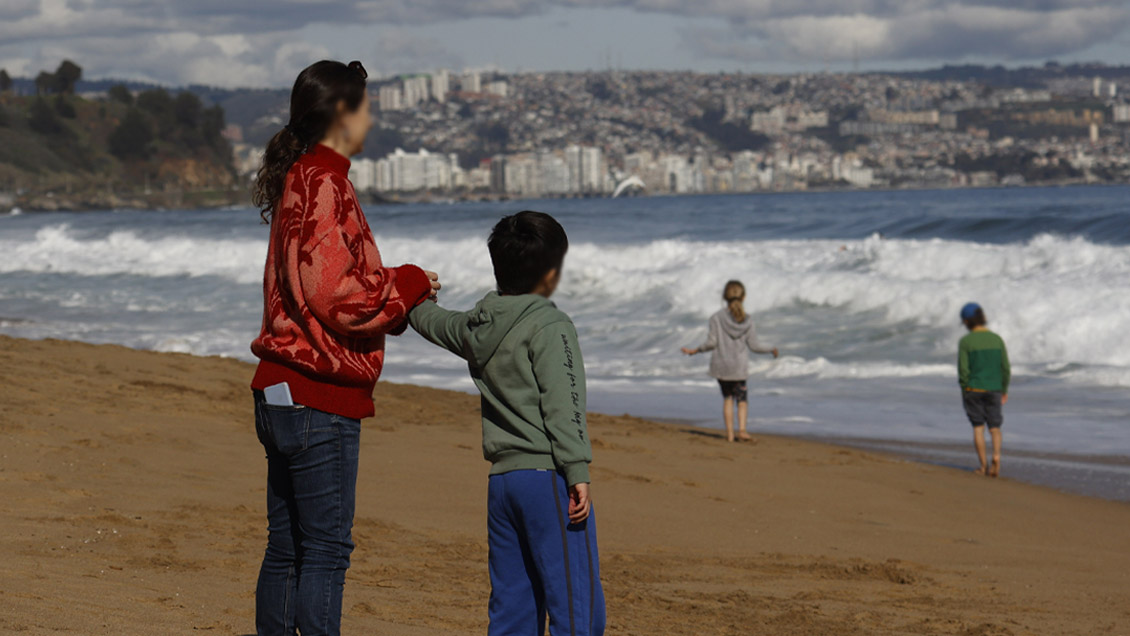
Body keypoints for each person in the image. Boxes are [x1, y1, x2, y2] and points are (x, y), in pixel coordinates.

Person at [248, 60, 440, 636]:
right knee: (326, 552)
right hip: (318, 399)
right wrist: (410, 283)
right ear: (340, 114)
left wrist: (395, 296)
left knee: (286, 550)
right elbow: (338, 295)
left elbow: (311, 289)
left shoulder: (299, 177)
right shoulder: (325, 182)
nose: (370, 116)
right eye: (364, 105)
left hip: (277, 388)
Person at [408, 211, 605, 636]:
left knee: (513, 611)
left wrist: (412, 295)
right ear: (551, 272)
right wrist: (578, 469)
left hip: (502, 485)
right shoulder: (551, 325)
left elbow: (433, 322)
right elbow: (564, 404)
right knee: (578, 610)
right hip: (547, 478)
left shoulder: (478, 326)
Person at [682, 280, 779, 443]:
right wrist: (770, 348)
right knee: (742, 400)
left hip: (721, 367)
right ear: (744, 297)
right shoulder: (747, 320)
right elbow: (754, 346)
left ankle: (730, 435)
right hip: (739, 368)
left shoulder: (716, 318)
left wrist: (696, 350)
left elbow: (712, 343)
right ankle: (742, 430)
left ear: (724, 297)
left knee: (727, 398)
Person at [958, 302, 1011, 478]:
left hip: (974, 388)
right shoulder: (997, 339)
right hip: (994, 388)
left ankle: (983, 466)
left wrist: (965, 388)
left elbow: (963, 370)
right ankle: (996, 456)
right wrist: (1004, 389)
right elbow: (1005, 368)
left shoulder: (966, 342)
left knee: (978, 427)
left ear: (966, 321)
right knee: (995, 427)